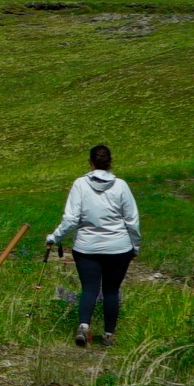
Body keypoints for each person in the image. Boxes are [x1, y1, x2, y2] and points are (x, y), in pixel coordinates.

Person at [47, 144, 139, 347]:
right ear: (110, 162)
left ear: (90, 162)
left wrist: (55, 237)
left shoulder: (80, 184)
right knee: (112, 291)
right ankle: (108, 336)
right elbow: (131, 219)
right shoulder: (121, 186)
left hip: (86, 247)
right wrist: (136, 246)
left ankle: (84, 327)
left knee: (89, 288)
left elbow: (71, 219)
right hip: (118, 247)